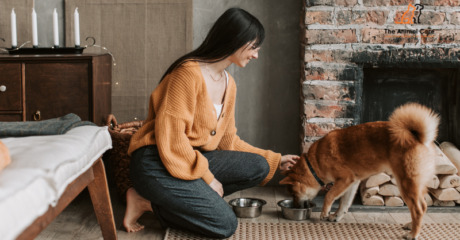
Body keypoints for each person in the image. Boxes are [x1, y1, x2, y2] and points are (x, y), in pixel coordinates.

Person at [122, 7, 299, 238]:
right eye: (254, 47)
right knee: (225, 224)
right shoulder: (187, 73)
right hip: (155, 162)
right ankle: (145, 201)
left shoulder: (229, 83)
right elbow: (173, 140)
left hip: (190, 159)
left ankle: (170, 201)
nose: (256, 55)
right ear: (236, 40)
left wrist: (275, 160)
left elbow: (228, 141)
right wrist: (209, 178)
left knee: (260, 166)